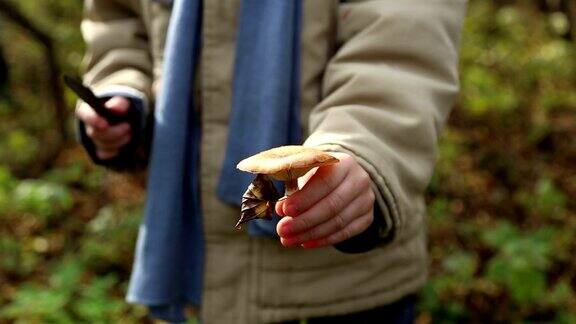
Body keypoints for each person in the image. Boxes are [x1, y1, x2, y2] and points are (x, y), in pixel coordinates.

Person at [75, 0, 467, 323]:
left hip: (342, 288)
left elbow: (401, 51)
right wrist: (124, 90)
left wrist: (362, 151)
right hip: (191, 252)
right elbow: (118, 21)